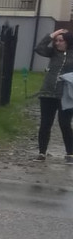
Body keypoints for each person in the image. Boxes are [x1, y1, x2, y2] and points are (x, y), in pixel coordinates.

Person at [32, 27, 73, 163]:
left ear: (67, 42)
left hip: (66, 95)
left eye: (60, 40)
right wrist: (52, 34)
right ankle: (42, 152)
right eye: (56, 40)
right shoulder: (52, 53)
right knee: (45, 124)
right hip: (48, 93)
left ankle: (70, 153)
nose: (57, 43)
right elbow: (39, 48)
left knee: (65, 124)